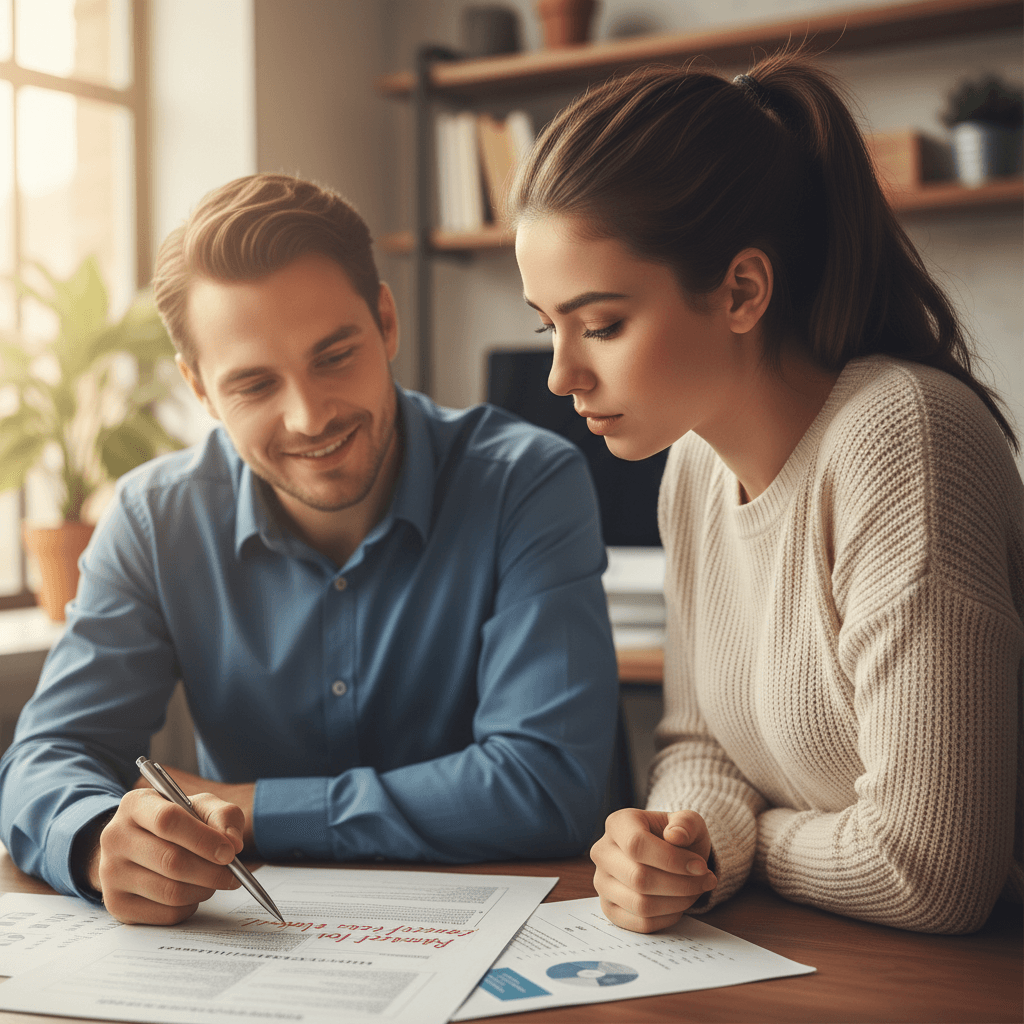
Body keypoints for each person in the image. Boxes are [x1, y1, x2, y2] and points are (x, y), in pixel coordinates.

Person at [0, 173, 619, 925]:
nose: (308, 417)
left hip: (509, 936)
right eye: (254, 385)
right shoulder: (154, 518)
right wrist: (102, 843)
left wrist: (249, 807)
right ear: (200, 389)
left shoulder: (526, 481)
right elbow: (47, 757)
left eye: (333, 357)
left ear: (385, 323)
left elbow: (545, 786)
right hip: (250, 949)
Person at [511, 52, 1023, 936]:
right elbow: (701, 743)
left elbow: (930, 869)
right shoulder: (692, 466)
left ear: (742, 291)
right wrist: (682, 842)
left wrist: (735, 850)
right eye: (547, 326)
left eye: (601, 324)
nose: (561, 376)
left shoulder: (904, 440)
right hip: (836, 949)